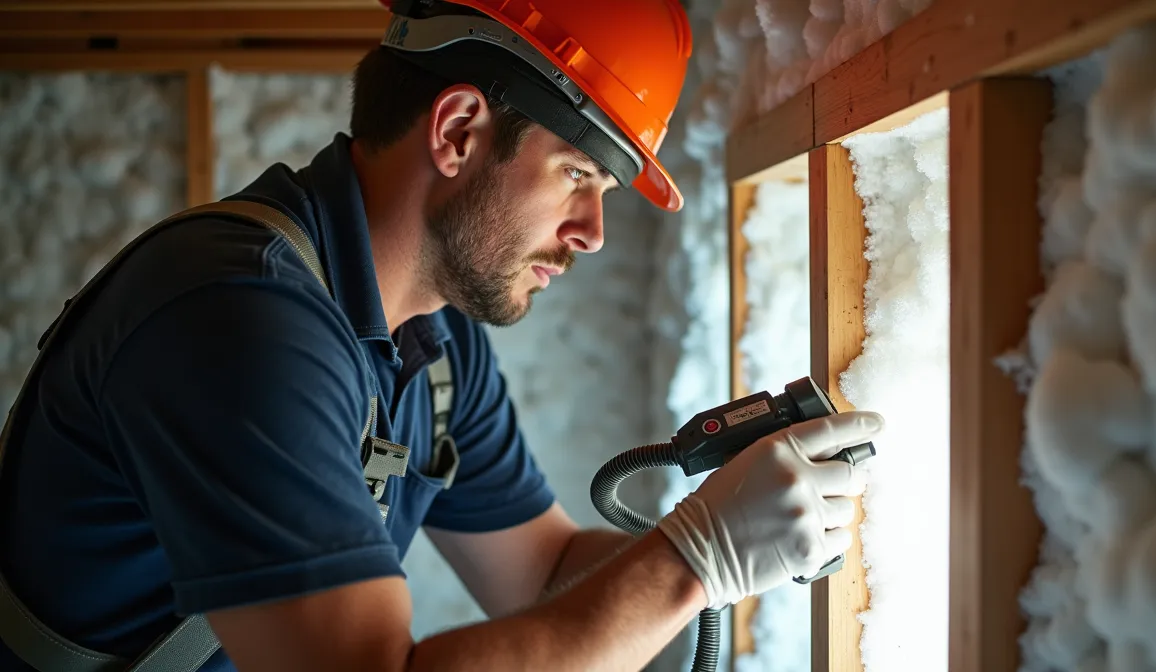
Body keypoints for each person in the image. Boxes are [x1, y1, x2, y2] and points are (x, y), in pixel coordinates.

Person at [0, 1, 883, 670]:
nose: (591, 233)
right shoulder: (239, 320)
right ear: (459, 131)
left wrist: (736, 531)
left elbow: (543, 573)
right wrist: (700, 559)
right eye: (578, 173)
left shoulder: (433, 350)